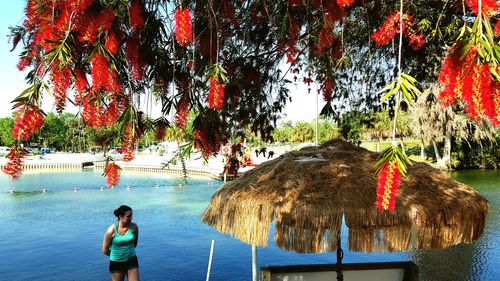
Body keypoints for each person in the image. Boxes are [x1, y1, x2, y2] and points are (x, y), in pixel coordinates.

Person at [102, 205, 140, 281]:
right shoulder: (111, 231)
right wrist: (118, 255)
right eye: (128, 216)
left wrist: (127, 253)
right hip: (117, 263)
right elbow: (104, 250)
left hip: (132, 260)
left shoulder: (134, 227)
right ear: (120, 217)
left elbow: (134, 244)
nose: (131, 218)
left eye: (131, 216)